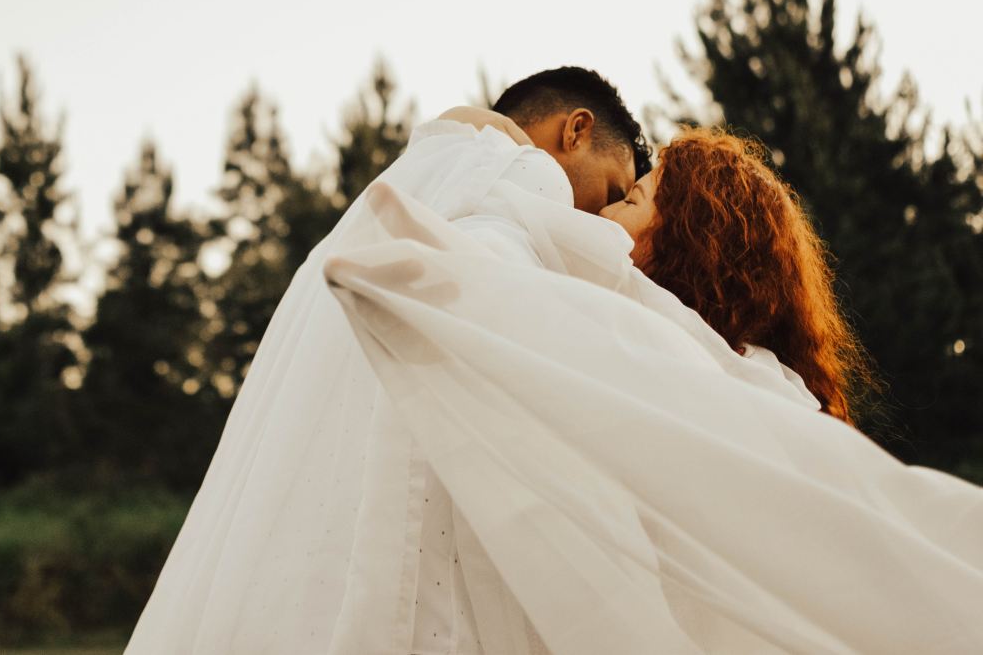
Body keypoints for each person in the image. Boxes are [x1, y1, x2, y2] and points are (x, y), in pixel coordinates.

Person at [323, 141, 983, 652]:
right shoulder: (752, 375)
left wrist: (434, 270)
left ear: (689, 239)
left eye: (635, 196)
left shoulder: (665, 336)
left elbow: (551, 337)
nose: (604, 212)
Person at [125, 67, 661, 654]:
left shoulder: (373, 216)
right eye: (611, 191)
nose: (604, 219)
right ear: (576, 131)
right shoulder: (511, 194)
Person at [598, 127, 882, 425]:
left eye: (631, 201)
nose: (604, 212)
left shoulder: (740, 401)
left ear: (686, 249)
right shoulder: (773, 400)